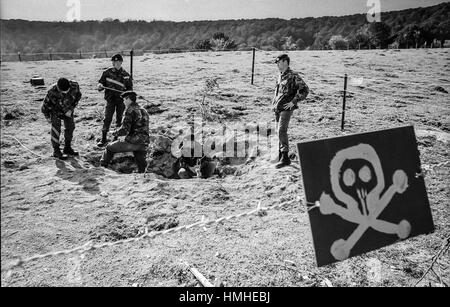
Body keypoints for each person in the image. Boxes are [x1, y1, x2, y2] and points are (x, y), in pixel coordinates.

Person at [272, 54, 309, 169]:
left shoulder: (293, 76)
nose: (277, 64)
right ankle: (280, 154)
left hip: (286, 109)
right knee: (277, 131)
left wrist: (294, 101)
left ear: (285, 62)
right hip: (278, 108)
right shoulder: (280, 75)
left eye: (279, 62)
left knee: (281, 130)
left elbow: (305, 90)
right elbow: (278, 92)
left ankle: (285, 158)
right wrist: (274, 104)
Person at [100, 91, 149, 173]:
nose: (123, 102)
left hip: (133, 142)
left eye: (124, 100)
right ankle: (142, 172)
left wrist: (114, 133)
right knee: (139, 156)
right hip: (144, 142)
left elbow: (124, 130)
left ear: (129, 99)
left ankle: (102, 168)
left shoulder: (130, 110)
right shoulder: (143, 110)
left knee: (109, 148)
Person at [97, 53, 133, 147]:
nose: (115, 63)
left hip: (121, 100)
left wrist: (128, 95)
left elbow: (130, 89)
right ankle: (103, 138)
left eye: (117, 61)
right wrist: (100, 86)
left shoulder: (126, 75)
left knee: (119, 119)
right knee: (107, 118)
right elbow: (100, 84)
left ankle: (116, 138)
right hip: (110, 99)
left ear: (121, 62)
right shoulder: (107, 73)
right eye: (113, 61)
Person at [42, 77, 82, 160]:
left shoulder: (74, 85)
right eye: (63, 91)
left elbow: (78, 96)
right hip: (55, 111)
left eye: (67, 91)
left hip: (68, 110)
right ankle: (56, 151)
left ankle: (67, 148)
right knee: (56, 129)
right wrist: (47, 117)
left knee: (71, 127)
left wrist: (71, 109)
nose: (65, 93)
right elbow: (45, 106)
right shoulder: (51, 91)